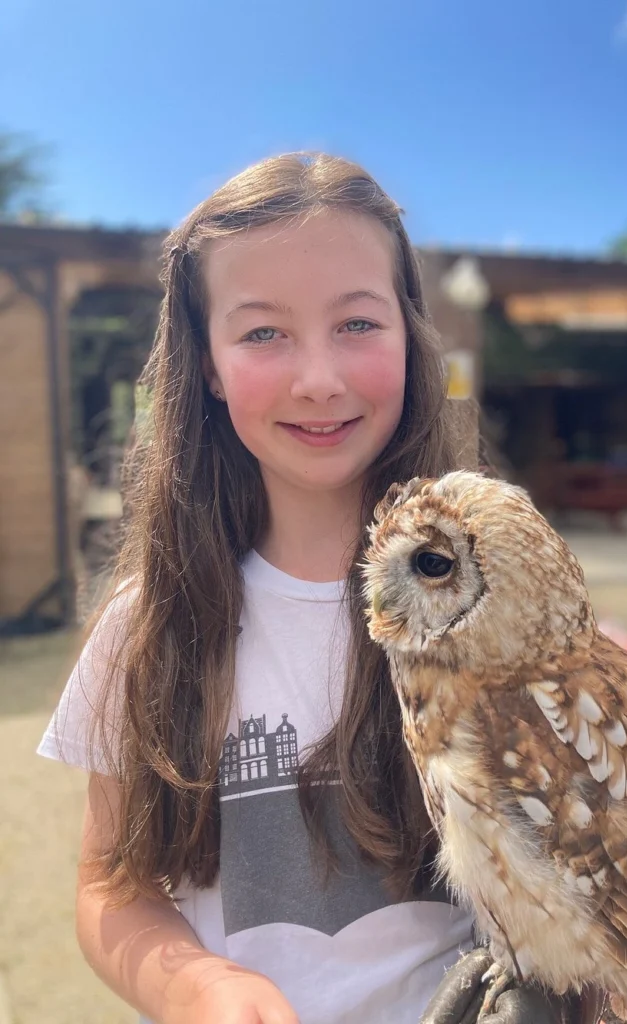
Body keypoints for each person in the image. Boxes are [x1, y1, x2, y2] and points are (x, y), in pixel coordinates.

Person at [38, 152, 479, 1024]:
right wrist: (200, 986)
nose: (319, 377)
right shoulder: (149, 627)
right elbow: (109, 886)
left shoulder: (494, 615)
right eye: (262, 333)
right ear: (206, 365)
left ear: (410, 333)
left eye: (357, 323)